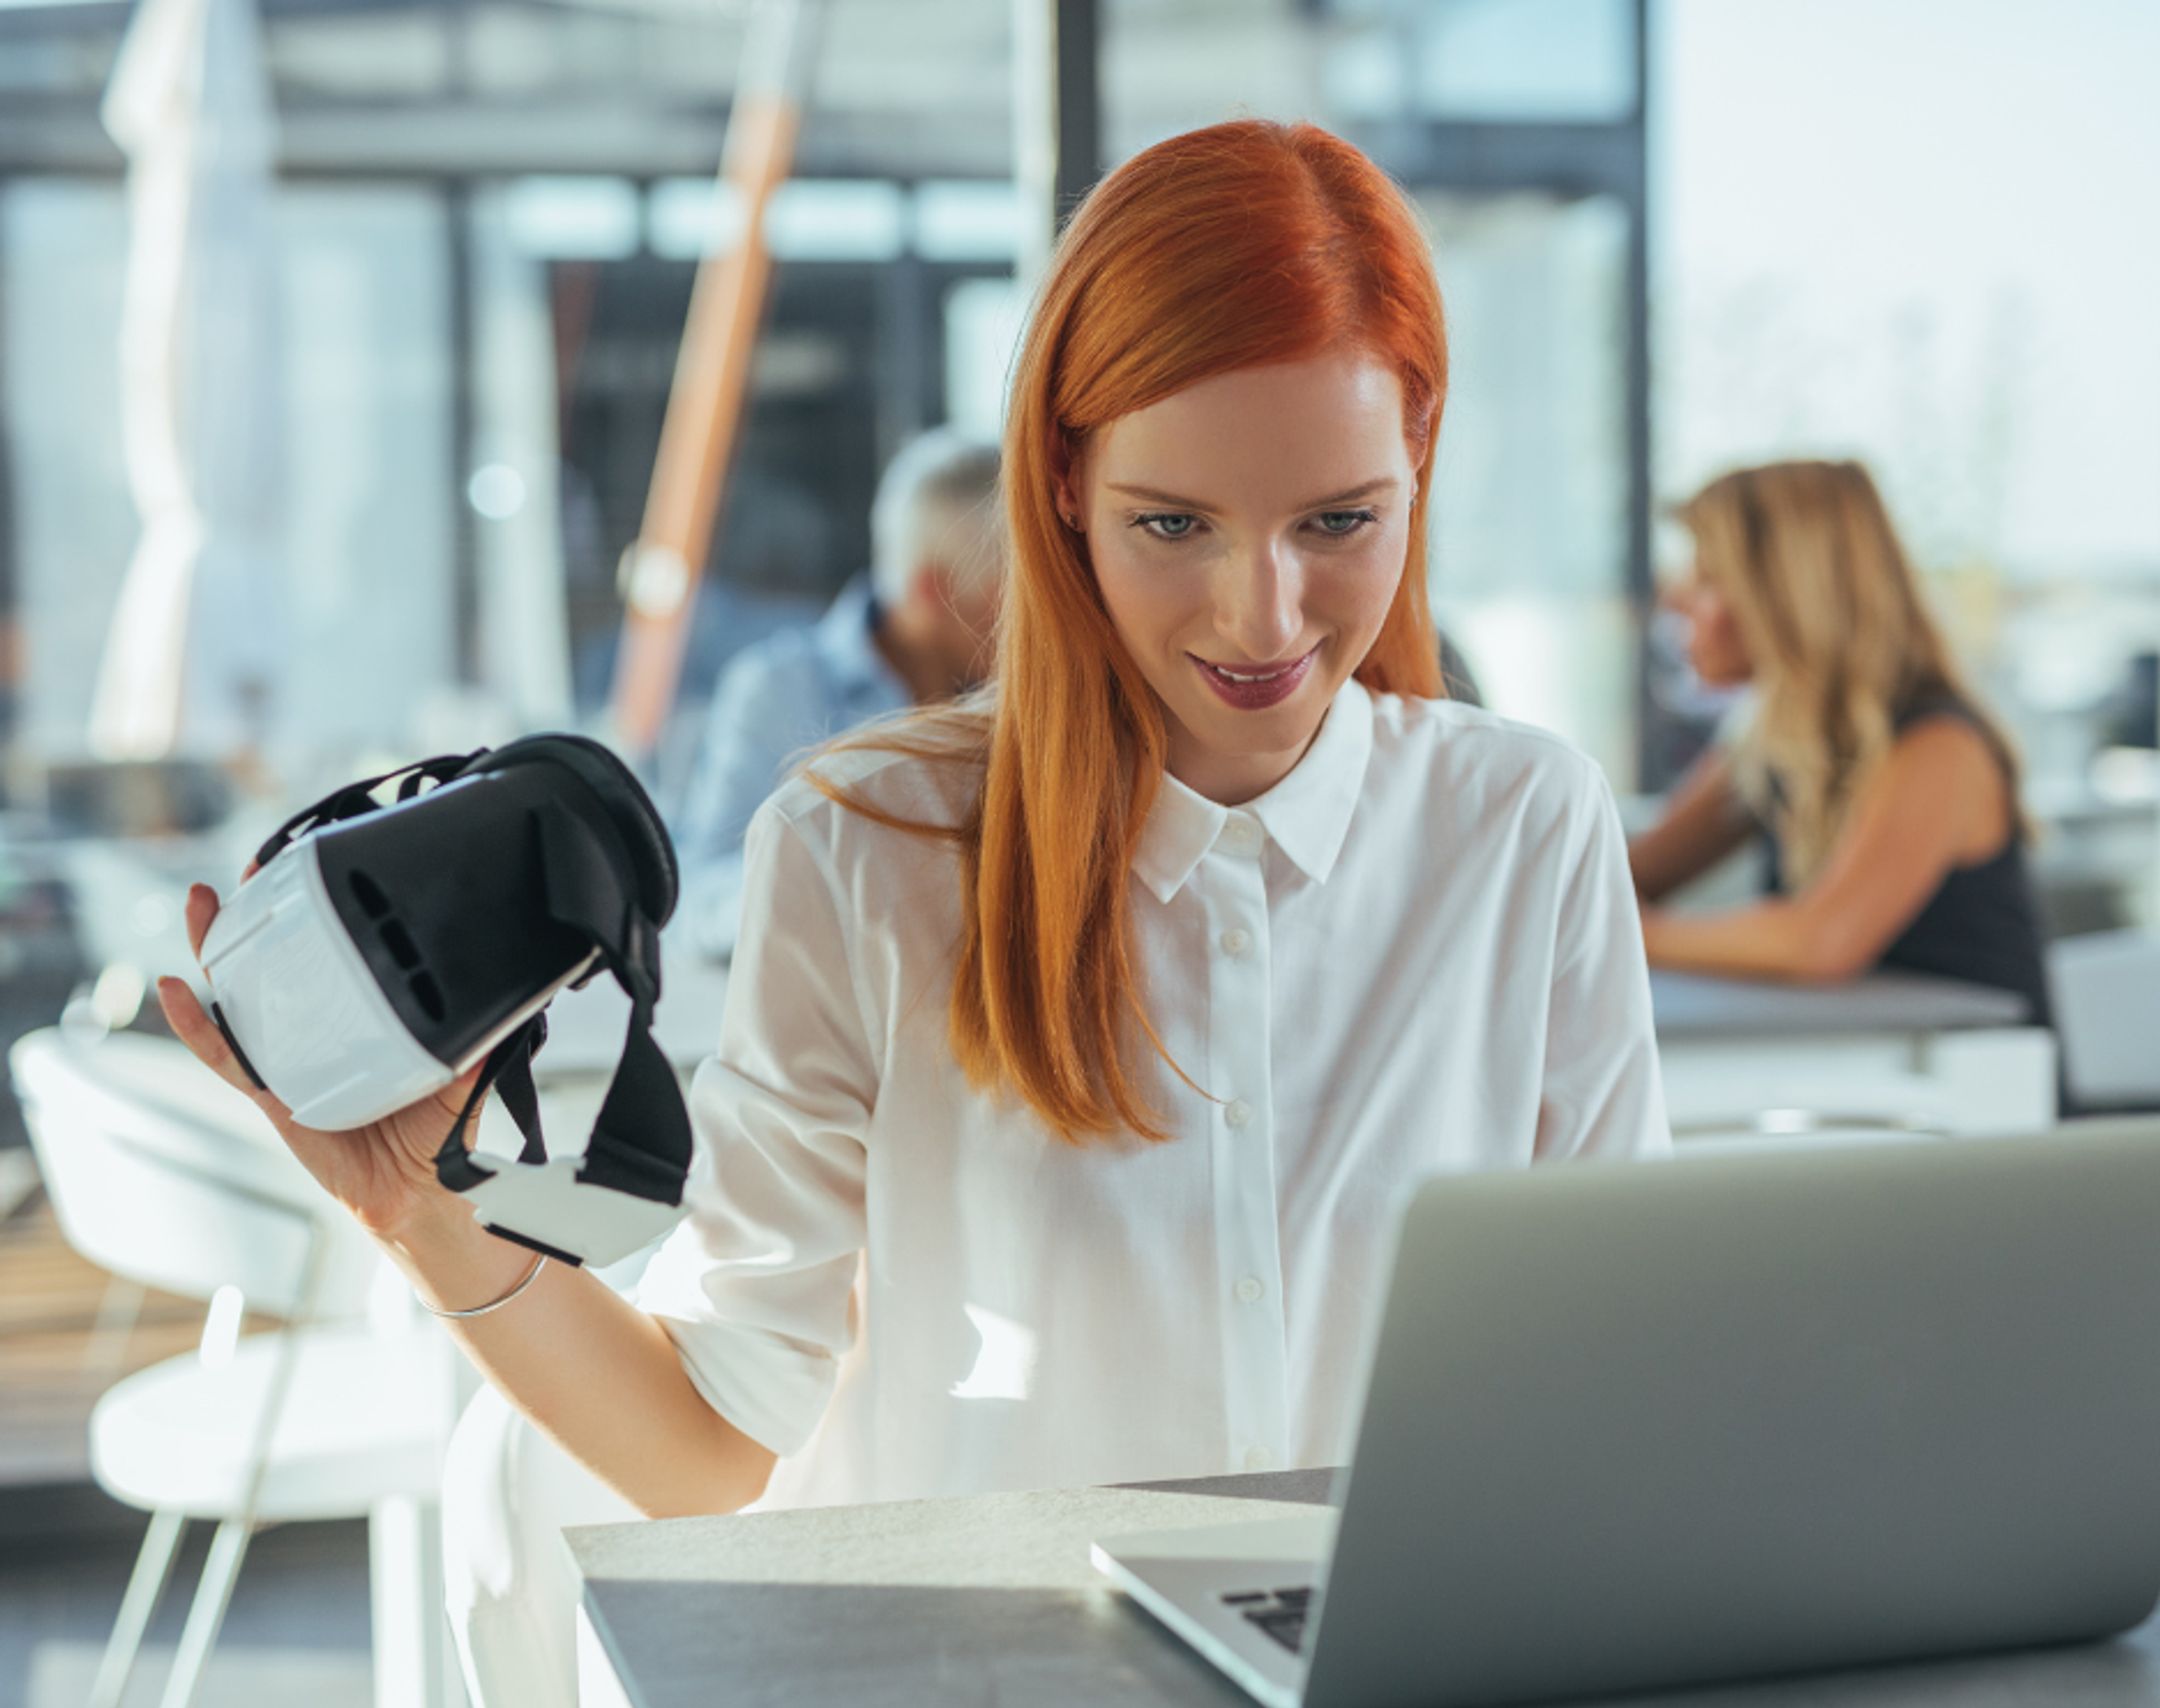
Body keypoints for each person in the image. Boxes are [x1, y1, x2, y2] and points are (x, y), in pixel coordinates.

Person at [159, 120, 1668, 1521]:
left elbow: (1617, 1372)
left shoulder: (1522, 824)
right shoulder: (866, 843)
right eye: (1174, 523)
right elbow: (715, 1444)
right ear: (1065, 486)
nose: (1261, 613)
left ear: (1419, 455)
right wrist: (431, 1223)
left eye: (1340, 520)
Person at [1631, 459, 2053, 1027]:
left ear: (1784, 596)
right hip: (1863, 1067)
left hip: (1984, 1087)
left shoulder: (1941, 746)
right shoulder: (1771, 743)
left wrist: (1629, 932)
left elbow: (1821, 943)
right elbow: (1625, 877)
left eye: (1707, 579)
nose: (1676, 600)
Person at [672, 428, 1002, 958]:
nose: (1033, 625)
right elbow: (702, 902)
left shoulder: (1024, 705)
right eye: (1010, 595)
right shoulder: (780, 691)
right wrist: (851, 889)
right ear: (934, 590)